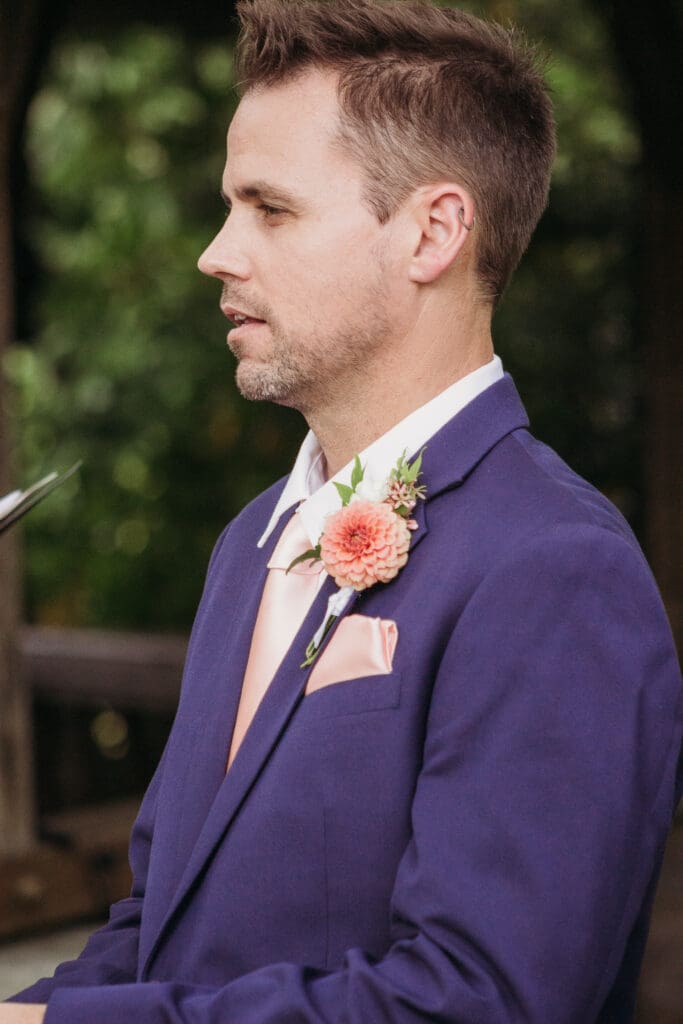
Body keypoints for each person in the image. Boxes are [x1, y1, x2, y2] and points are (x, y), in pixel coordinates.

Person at [5, 1, 682, 1021]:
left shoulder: (554, 566)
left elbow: (479, 1000)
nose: (215, 253)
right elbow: (158, 925)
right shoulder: (249, 545)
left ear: (431, 232)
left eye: (268, 209)